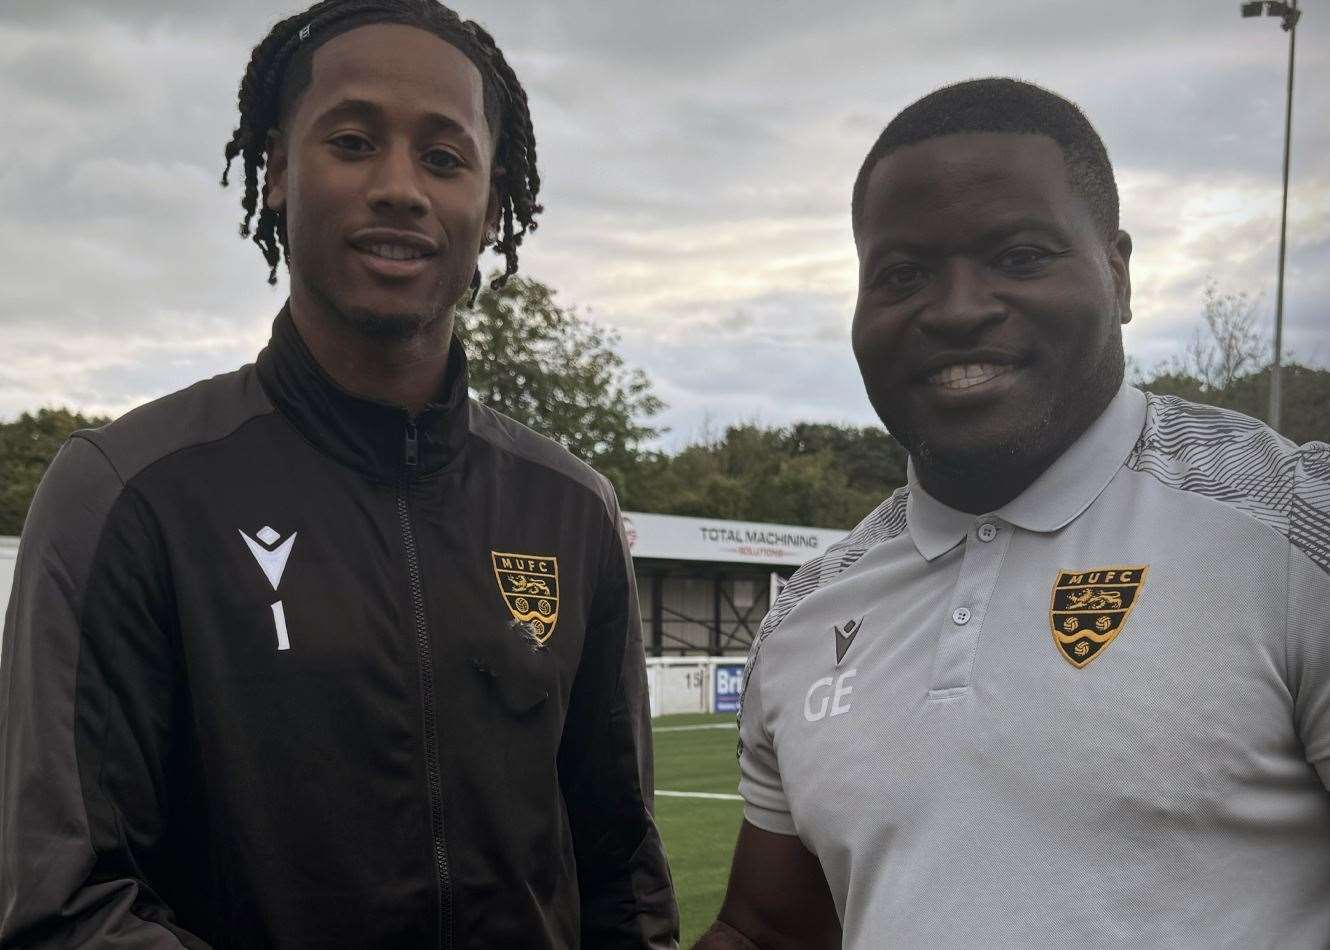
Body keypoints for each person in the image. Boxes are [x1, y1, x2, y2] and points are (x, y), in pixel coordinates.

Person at [0, 1, 678, 946]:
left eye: (445, 158)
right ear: (277, 170)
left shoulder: (571, 508)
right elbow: (70, 905)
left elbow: (622, 872)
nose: (401, 187)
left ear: (489, 207)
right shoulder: (127, 492)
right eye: (354, 142)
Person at [698, 78, 1329, 949]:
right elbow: (770, 931)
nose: (958, 309)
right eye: (904, 274)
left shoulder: (1296, 529)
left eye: (1020, 257)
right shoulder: (808, 613)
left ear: (1118, 271)